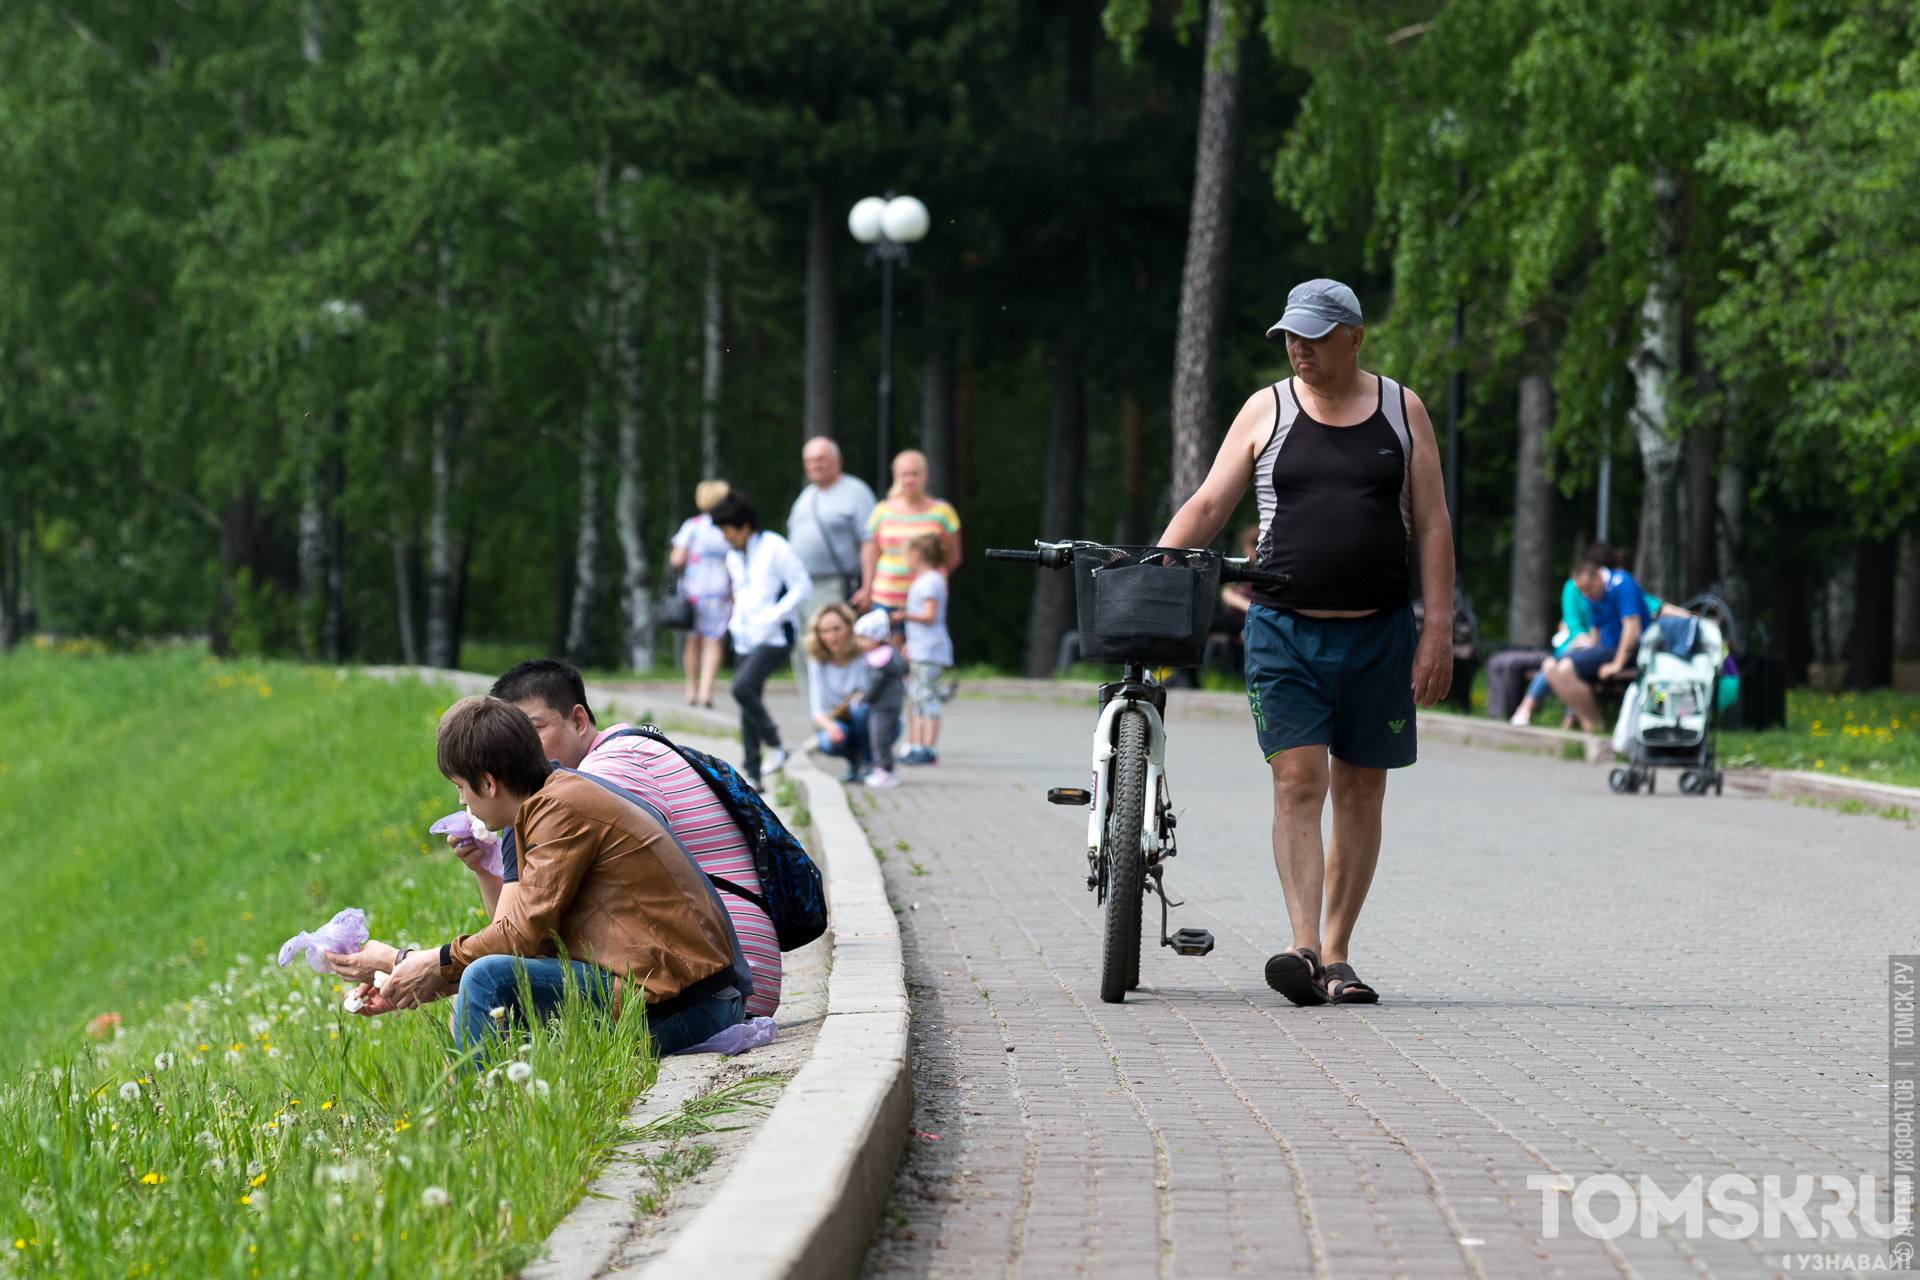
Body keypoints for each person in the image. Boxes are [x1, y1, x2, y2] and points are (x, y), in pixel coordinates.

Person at [1156, 278, 1454, 1007]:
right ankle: (1302, 946)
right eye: (1291, 335)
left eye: (1316, 336)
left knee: (1360, 787)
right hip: (1282, 630)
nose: (1300, 348)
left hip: (1380, 633)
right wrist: (1156, 569)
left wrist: (1437, 628)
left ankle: (1338, 952)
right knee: (1297, 781)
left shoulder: (1400, 409)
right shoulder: (1269, 407)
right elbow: (1210, 503)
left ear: (1354, 337)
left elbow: (1436, 522)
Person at [345, 696, 749, 1058]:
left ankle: (481, 1117)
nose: (461, 801)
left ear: (488, 782)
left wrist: (427, 961)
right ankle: (500, 1104)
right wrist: (417, 974)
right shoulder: (552, 799)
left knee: (486, 978)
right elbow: (529, 943)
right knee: (492, 982)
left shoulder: (559, 810)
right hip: (674, 995)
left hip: (689, 1008)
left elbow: (519, 937)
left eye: (460, 787)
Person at [485, 659, 782, 1018]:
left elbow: (526, 931)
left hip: (726, 981)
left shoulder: (605, 771)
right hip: (725, 967)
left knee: (499, 984)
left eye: (533, 731)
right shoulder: (626, 750)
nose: (518, 753)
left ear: (578, 720)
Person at [713, 493, 811, 791]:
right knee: (746, 700)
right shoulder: (732, 555)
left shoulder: (775, 547)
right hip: (745, 638)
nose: (725, 537)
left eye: (729, 530)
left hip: (775, 635)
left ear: (745, 526)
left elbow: (802, 587)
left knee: (741, 687)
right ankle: (753, 774)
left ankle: (776, 743)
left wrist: (774, 615)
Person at [787, 437, 877, 716]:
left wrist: (868, 586)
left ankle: (851, 719)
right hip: (802, 587)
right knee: (805, 651)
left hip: (834, 583)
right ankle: (820, 718)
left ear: (837, 461)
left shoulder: (855, 491)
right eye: (810, 460)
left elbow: (870, 541)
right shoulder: (806, 496)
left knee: (838, 650)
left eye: (821, 459)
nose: (815, 465)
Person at [1542, 545, 1653, 732]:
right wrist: (1590, 652)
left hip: (1631, 652)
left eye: (1589, 588)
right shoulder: (1593, 595)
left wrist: (1617, 664)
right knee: (1549, 666)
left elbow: (1632, 628)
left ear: (1600, 577)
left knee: (1567, 668)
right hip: (1605, 650)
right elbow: (1596, 629)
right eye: (1582, 591)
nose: (1587, 595)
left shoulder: (1621, 584)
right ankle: (1591, 724)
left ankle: (1594, 727)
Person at [859, 449, 962, 614]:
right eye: (904, 474)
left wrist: (930, 578)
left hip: (927, 598)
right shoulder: (882, 510)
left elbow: (954, 556)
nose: (910, 480)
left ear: (926, 476)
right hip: (887, 596)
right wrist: (866, 587)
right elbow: (872, 552)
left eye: (915, 474)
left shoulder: (943, 511)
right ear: (896, 477)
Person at [669, 479, 734, 708]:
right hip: (719, 592)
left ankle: (691, 689)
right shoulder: (727, 526)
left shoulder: (693, 526)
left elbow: (676, 558)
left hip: (693, 591)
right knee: (713, 641)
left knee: (692, 641)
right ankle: (707, 690)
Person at [899, 534, 952, 765]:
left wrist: (905, 616)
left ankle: (928, 749)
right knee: (918, 698)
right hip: (921, 649)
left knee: (927, 698)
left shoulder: (931, 581)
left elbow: (930, 615)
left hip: (930, 651)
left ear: (917, 554)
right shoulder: (926, 580)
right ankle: (918, 745)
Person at [804, 602, 870, 782]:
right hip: (842, 720)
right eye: (824, 631)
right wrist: (831, 728)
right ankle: (854, 762)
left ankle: (871, 762)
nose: (831, 637)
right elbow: (817, 710)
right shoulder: (817, 661)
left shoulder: (865, 654)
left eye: (836, 629)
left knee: (860, 707)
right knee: (827, 741)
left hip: (870, 719)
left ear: (850, 628)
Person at [852, 608, 909, 788]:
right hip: (893, 704)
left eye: (864, 638)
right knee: (881, 738)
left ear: (876, 637)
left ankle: (885, 771)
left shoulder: (879, 659)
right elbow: (904, 669)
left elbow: (875, 683)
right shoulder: (891, 654)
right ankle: (883, 769)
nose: (860, 643)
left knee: (879, 739)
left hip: (882, 706)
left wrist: (864, 698)